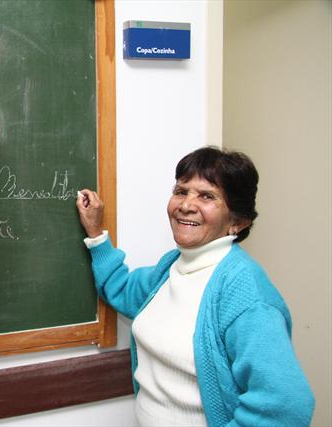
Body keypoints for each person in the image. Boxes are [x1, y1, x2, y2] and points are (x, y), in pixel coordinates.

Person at [76, 146, 314, 427]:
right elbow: (121, 289)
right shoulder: (173, 267)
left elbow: (286, 406)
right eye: (181, 191)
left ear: (237, 221)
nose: (186, 204)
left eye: (206, 196)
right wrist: (95, 234)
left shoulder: (245, 294)